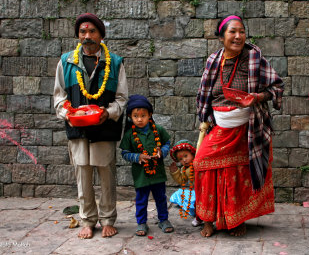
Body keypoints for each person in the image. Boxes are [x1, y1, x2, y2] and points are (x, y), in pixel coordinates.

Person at [194, 15, 284, 237]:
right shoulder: (213, 61)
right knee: (201, 164)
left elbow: (277, 87)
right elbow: (204, 93)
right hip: (220, 128)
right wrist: (203, 117)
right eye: (232, 32)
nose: (238, 36)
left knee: (239, 173)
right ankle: (208, 219)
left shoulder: (255, 58)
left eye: (241, 31)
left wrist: (257, 97)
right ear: (221, 37)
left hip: (248, 129)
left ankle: (236, 220)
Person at [53, 13, 128, 239]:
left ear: (101, 35)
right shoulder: (66, 61)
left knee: (106, 175)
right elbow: (58, 97)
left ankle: (107, 220)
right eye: (83, 32)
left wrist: (108, 112)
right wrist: (69, 113)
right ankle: (87, 220)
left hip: (104, 128)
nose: (87, 36)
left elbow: (122, 98)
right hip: (78, 130)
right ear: (78, 35)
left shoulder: (114, 62)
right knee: (82, 175)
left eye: (92, 31)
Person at [119, 95, 174, 236]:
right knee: (141, 199)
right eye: (135, 116)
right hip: (141, 175)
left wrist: (162, 152)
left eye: (143, 115)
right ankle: (142, 223)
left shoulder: (158, 130)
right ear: (130, 117)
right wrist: (137, 157)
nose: (139, 119)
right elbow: (124, 153)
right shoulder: (130, 135)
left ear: (150, 115)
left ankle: (163, 220)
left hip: (158, 172)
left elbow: (167, 143)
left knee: (161, 197)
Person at [169, 140, 203, 227]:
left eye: (186, 156)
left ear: (192, 153)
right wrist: (175, 172)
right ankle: (199, 218)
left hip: (206, 186)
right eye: (180, 159)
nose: (184, 160)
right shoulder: (184, 168)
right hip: (198, 190)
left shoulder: (198, 161)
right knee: (198, 203)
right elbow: (182, 180)